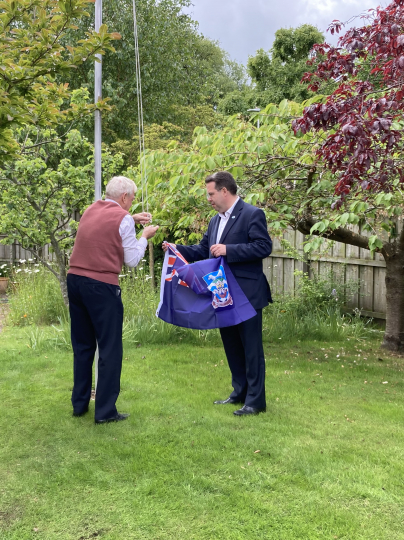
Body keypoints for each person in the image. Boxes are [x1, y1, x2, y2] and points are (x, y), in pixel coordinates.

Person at [165, 171, 272, 416]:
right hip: (222, 293)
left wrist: (228, 249)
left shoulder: (252, 214)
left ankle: (255, 402)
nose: (209, 199)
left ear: (225, 190)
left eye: (211, 193)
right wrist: (175, 248)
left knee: (251, 348)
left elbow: (264, 246)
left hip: (246, 294)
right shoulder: (215, 221)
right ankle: (239, 393)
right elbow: (204, 249)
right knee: (232, 346)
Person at [67, 176, 159, 424]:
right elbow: (131, 260)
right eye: (132, 198)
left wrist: (132, 219)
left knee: (83, 345)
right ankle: (106, 412)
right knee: (109, 348)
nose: (132, 202)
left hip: (75, 280)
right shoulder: (123, 219)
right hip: (101, 286)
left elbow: (107, 227)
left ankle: (79, 405)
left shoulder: (91, 209)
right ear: (124, 197)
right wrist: (144, 236)